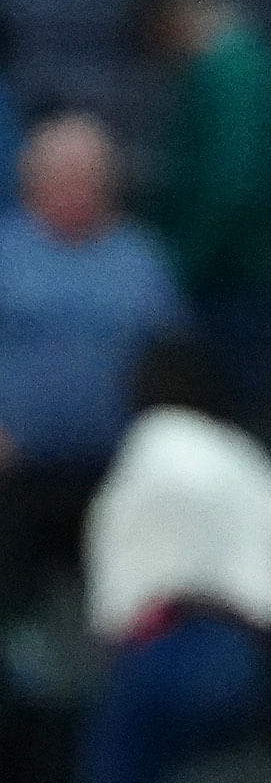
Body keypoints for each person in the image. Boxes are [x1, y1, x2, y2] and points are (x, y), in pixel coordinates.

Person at [76, 343, 271, 783]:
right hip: (251, 652)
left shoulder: (160, 439)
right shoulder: (246, 458)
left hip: (173, 644)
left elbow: (120, 556)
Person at [0, 115, 187, 625]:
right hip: (16, 478)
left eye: (88, 179)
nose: (76, 192)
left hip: (117, 480)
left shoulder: (143, 260)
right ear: (32, 183)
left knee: (117, 617)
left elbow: (174, 365)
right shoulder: (6, 254)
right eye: (62, 178)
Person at [137, 0, 271, 415]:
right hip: (242, 262)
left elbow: (233, 185)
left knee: (227, 400)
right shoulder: (244, 66)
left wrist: (182, 260)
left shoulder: (231, 74)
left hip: (234, 270)